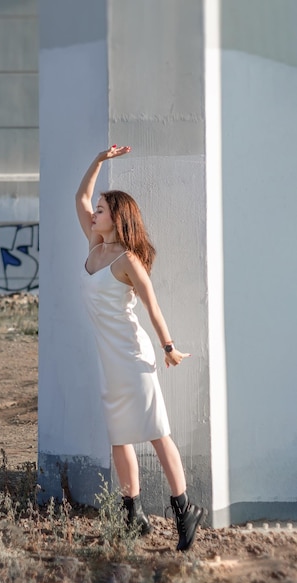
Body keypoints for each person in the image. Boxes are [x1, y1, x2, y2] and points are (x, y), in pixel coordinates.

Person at [76, 145, 206, 551]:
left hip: (134, 358)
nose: (94, 213)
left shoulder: (128, 260)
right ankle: (133, 514)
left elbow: (152, 305)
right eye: (96, 209)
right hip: (109, 363)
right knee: (119, 437)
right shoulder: (94, 248)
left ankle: (185, 510)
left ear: (116, 217)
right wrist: (98, 161)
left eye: (101, 210)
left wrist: (168, 346)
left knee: (155, 433)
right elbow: (79, 197)